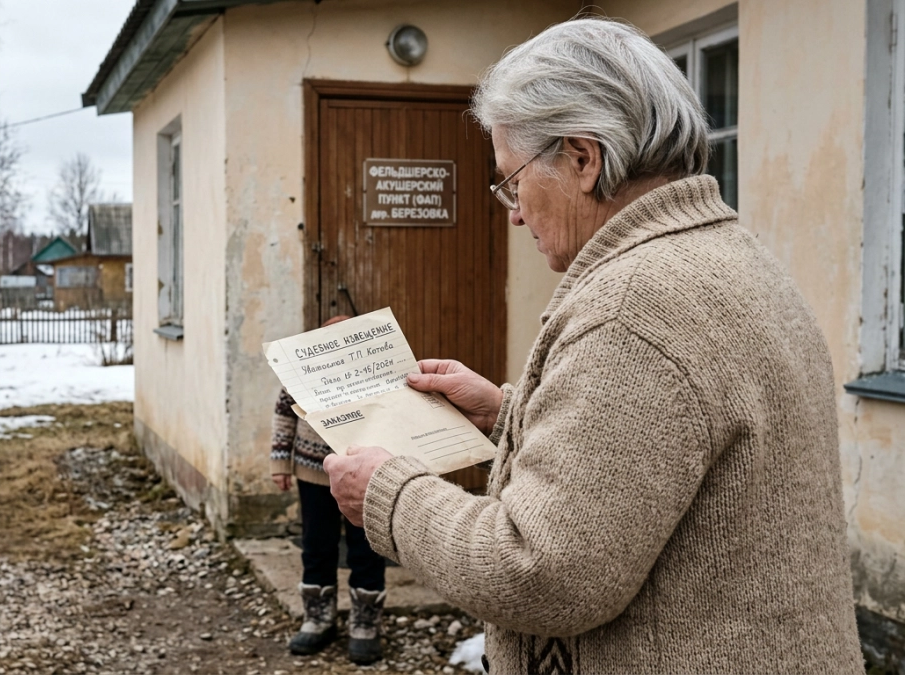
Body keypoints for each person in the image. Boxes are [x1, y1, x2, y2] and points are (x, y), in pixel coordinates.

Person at [322, 17, 864, 674]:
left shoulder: (633, 305)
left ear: (584, 158)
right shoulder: (731, 256)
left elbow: (540, 572)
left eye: (511, 180)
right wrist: (508, 411)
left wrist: (389, 493)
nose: (514, 211)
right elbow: (667, 437)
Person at [270, 315, 387, 665]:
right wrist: (280, 464)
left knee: (366, 547)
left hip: (362, 476)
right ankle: (318, 616)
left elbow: (393, 416)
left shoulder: (371, 373)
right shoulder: (300, 375)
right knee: (316, 544)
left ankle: (365, 623)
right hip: (312, 474)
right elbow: (283, 415)